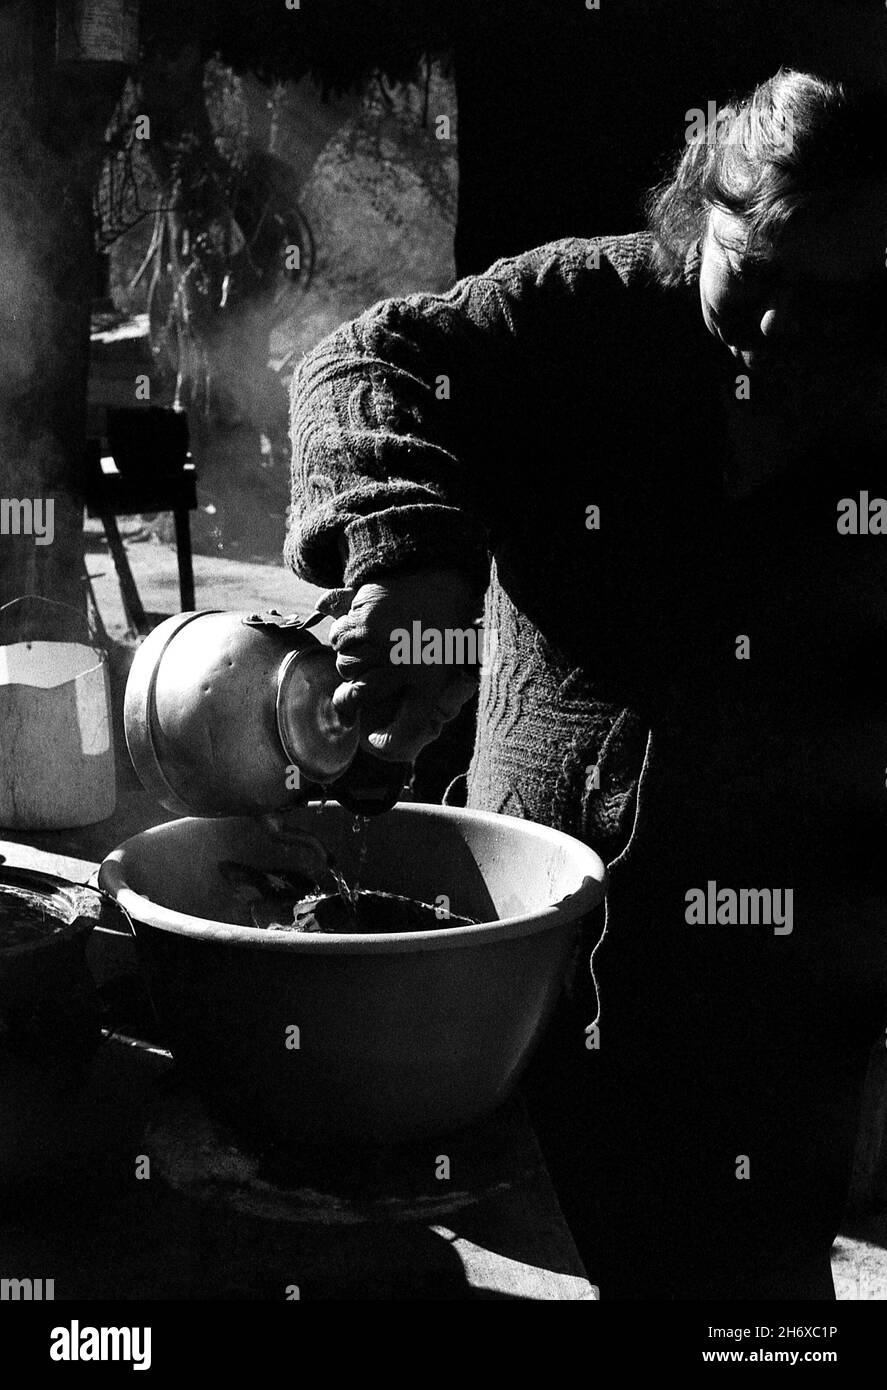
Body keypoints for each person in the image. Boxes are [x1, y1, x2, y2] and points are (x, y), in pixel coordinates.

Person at [285, 69, 887, 1298]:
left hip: (772, 972)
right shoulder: (579, 310)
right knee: (560, 1232)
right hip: (528, 940)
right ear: (693, 215)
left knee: (749, 1282)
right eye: (750, 273)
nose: (772, 334)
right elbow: (360, 365)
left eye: (828, 300)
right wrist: (412, 557)